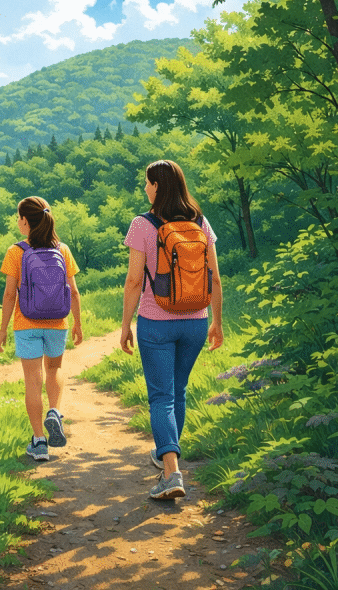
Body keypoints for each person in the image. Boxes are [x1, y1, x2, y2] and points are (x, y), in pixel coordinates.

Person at [120, 159, 223, 500]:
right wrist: (217, 322)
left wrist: (125, 325)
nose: (145, 187)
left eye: (148, 183)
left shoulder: (142, 224)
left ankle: (172, 472)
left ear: (158, 186)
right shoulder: (200, 222)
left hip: (156, 323)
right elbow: (215, 277)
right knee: (177, 391)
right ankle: (168, 454)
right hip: (196, 321)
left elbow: (135, 280)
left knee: (161, 396)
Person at [0, 196, 83, 462]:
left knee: (32, 381)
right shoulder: (63, 250)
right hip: (58, 322)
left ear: (25, 221)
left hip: (27, 324)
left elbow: (10, 295)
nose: (17, 221)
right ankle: (54, 412)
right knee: (54, 369)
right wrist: (78, 323)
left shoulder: (16, 252)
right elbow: (74, 292)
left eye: (18, 217)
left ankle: (39, 442)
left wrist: (2, 330)